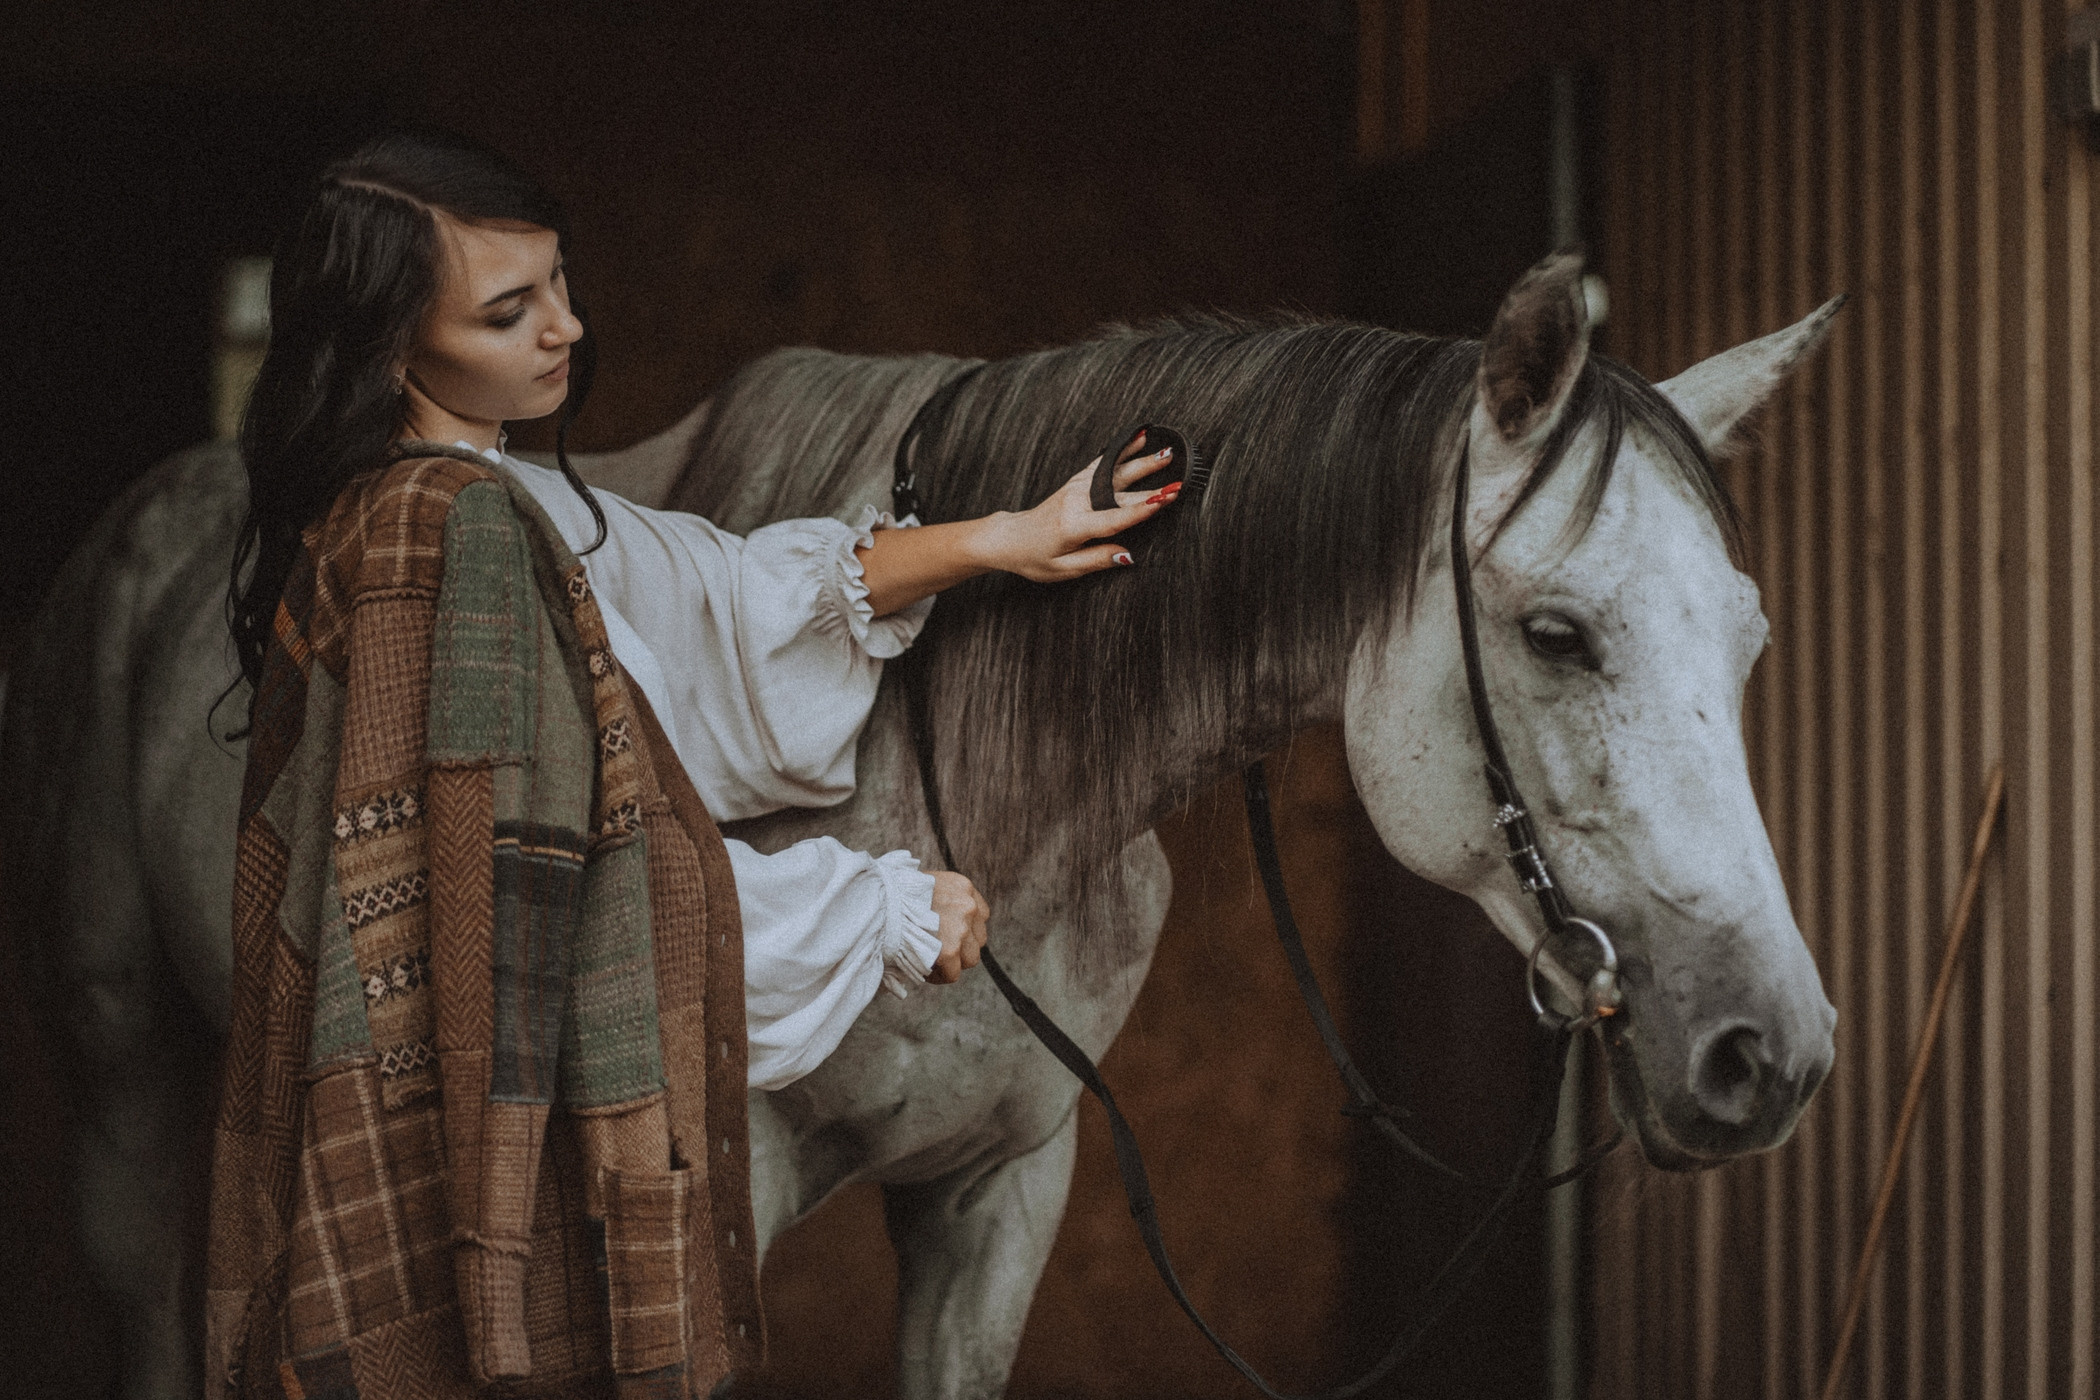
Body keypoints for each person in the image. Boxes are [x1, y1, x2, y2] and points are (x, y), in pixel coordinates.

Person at [229, 129, 1180, 1091]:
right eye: (509, 313)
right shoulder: (445, 542)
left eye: (559, 282)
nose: (566, 328)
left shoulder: (498, 497)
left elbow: (734, 600)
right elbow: (572, 883)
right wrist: (880, 911)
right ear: (392, 347)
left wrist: (1003, 537)